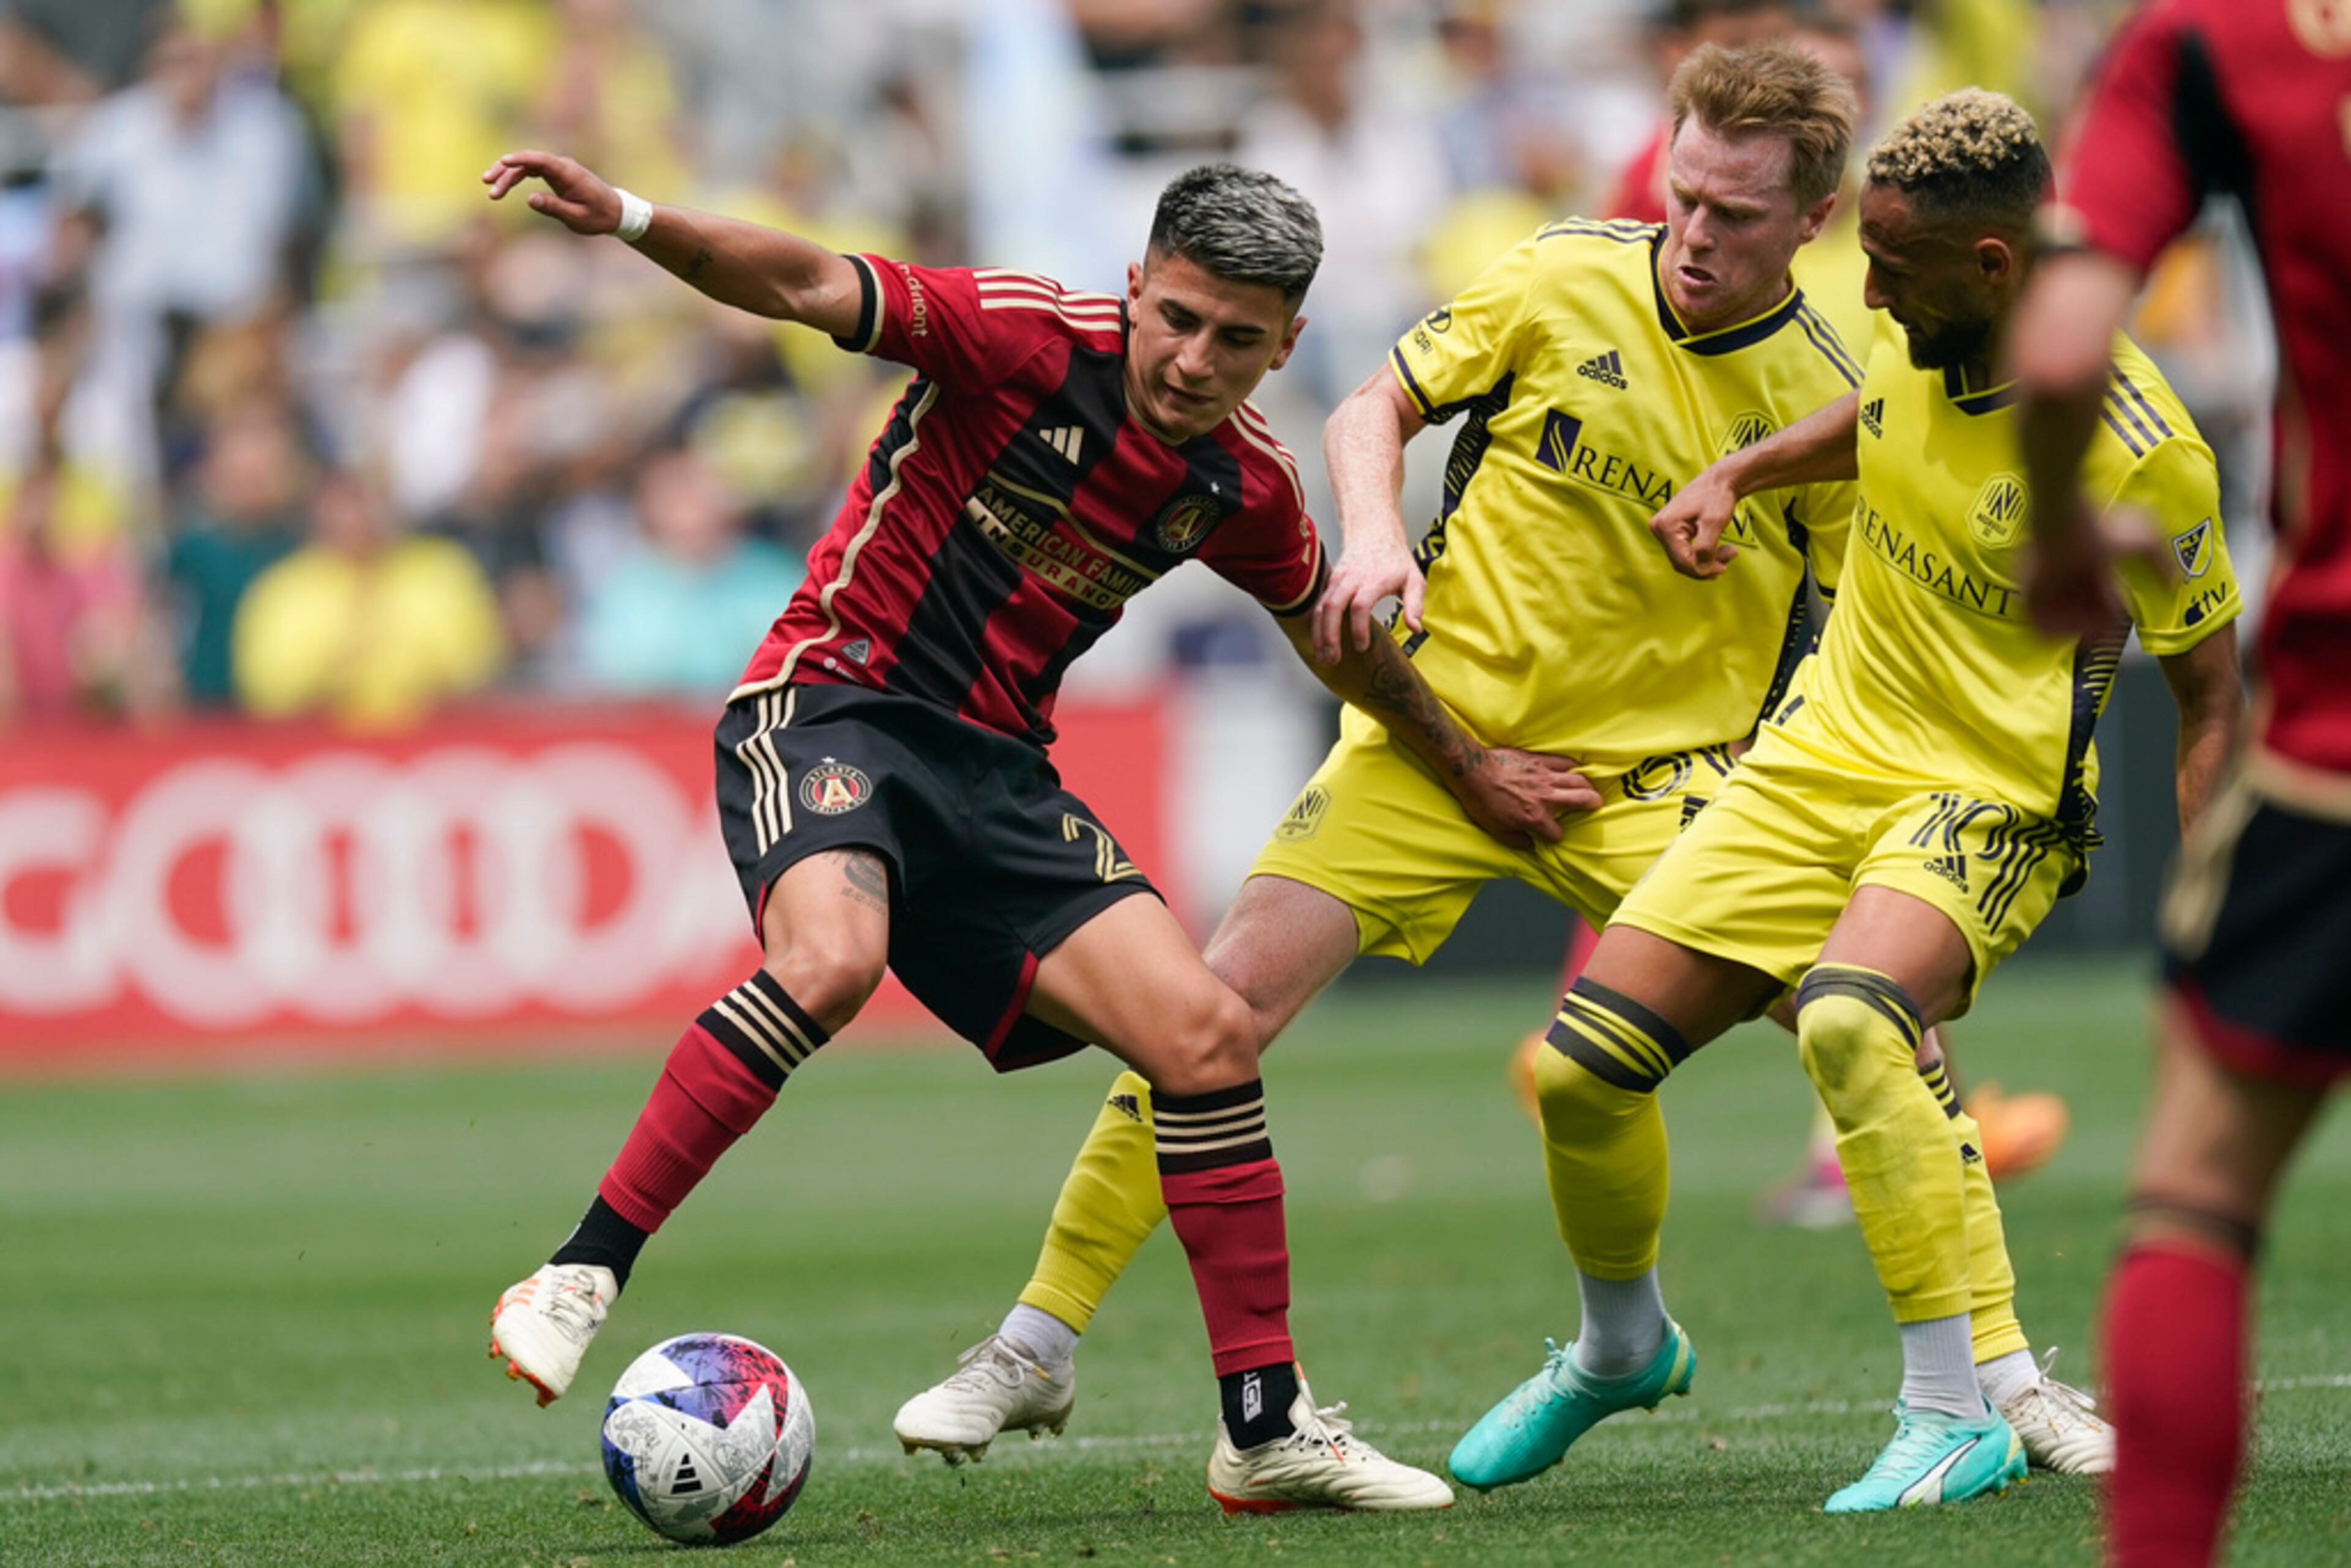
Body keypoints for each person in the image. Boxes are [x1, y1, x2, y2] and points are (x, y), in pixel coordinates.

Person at [893, 42, 2104, 1486]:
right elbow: (1370, 412)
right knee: (1204, 1017)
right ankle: (1034, 1347)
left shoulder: (1837, 393)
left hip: (1653, 789)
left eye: (1733, 214)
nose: (1695, 234)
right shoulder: (1561, 274)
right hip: (1435, 744)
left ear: (1816, 220)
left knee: (1884, 1033)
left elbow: (1858, 626)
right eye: (1684, 194)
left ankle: (2008, 1379)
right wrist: (1381, 534)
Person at [476, 151, 1586, 1514]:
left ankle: (1265, 1426)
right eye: (1177, 319)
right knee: (830, 964)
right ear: (1138, 289)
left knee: (1208, 1038)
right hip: (834, 708)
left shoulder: (1242, 487)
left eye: (1239, 340)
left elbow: (1339, 650)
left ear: (1287, 342)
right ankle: (582, 1268)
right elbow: (807, 279)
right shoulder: (1018, 338)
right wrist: (636, 222)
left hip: (996, 778)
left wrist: (1471, 771)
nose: (1193, 360)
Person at [1453, 88, 2243, 1512]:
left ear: (1993, 270)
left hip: (1989, 796)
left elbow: (2211, 699)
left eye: (1893, 269)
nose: (1865, 290)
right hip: (1819, 758)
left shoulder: (2138, 443)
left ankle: (1951, 1412)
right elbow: (1880, 417)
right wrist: (1744, 470)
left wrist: (2212, 940)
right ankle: (1621, 1348)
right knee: (1580, 1072)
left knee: (1850, 1021)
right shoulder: (1916, 319)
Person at [2006, 3, 2351, 1562]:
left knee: (2201, 1187)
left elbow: (2066, 340)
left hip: (2339, 736)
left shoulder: (2214, 41)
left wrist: (2068, 522)